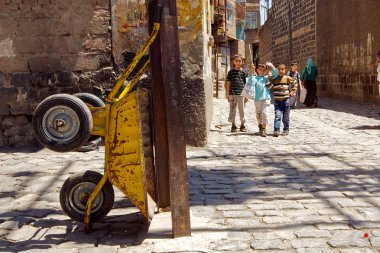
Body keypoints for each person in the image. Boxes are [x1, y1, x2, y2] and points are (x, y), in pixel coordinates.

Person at [270, 64, 297, 137]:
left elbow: (294, 83)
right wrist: (269, 78)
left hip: (286, 100)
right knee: (277, 115)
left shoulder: (287, 78)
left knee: (286, 117)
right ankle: (276, 129)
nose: (281, 71)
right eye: (279, 69)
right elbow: (269, 86)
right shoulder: (274, 79)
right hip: (277, 101)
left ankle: (286, 129)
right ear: (277, 70)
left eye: (282, 69)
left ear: (285, 70)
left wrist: (293, 91)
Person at [247, 63, 273, 137]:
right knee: (258, 114)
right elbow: (250, 83)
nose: (262, 71)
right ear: (257, 70)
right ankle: (260, 125)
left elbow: (270, 87)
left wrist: (269, 77)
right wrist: (252, 72)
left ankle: (264, 129)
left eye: (263, 70)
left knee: (265, 113)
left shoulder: (267, 77)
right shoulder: (255, 78)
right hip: (257, 99)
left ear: (265, 71)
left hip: (266, 98)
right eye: (260, 70)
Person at [226, 54, 249, 133]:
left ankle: (242, 125)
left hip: (242, 94)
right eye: (236, 61)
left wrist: (246, 95)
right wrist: (227, 94)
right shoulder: (230, 72)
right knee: (232, 110)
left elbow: (247, 84)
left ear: (242, 62)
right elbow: (228, 83)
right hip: (232, 94)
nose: (238, 62)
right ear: (233, 62)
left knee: (242, 110)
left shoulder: (244, 72)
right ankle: (233, 125)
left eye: (240, 61)